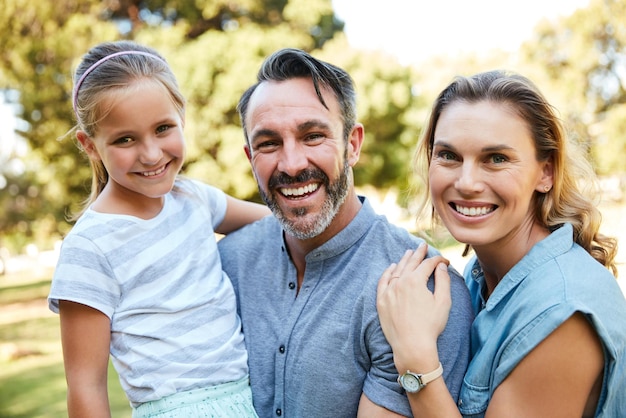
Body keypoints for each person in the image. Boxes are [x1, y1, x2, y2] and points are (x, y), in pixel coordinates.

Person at [217, 47, 474, 417]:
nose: (291, 164)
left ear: (352, 144)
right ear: (249, 157)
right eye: (269, 143)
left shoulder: (423, 289)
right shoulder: (225, 266)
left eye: (313, 136)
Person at [376, 70, 626, 417]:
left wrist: (414, 358)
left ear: (546, 173)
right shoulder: (483, 277)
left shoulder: (563, 312)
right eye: (448, 155)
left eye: (496, 159)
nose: (466, 182)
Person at [48, 40, 270, 418]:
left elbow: (276, 223)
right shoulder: (90, 247)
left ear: (182, 118)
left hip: (248, 401)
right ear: (89, 145)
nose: (151, 154)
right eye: (125, 139)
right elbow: (85, 386)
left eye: (163, 128)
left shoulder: (194, 198)